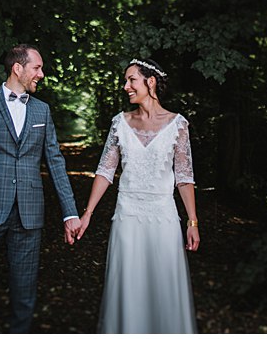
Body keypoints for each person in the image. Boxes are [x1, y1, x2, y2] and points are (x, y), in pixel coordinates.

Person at [0, 44, 82, 332]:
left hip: (29, 214)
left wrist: (70, 212)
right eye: (37, 68)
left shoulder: (42, 111)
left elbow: (56, 163)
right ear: (17, 68)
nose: (42, 74)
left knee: (24, 296)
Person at [75, 59, 199, 333]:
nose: (125, 86)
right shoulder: (119, 123)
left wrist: (192, 222)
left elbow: (184, 177)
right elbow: (105, 171)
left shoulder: (178, 125)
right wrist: (87, 213)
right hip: (128, 217)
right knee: (129, 285)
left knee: (163, 285)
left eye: (131, 80)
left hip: (163, 218)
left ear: (150, 82)